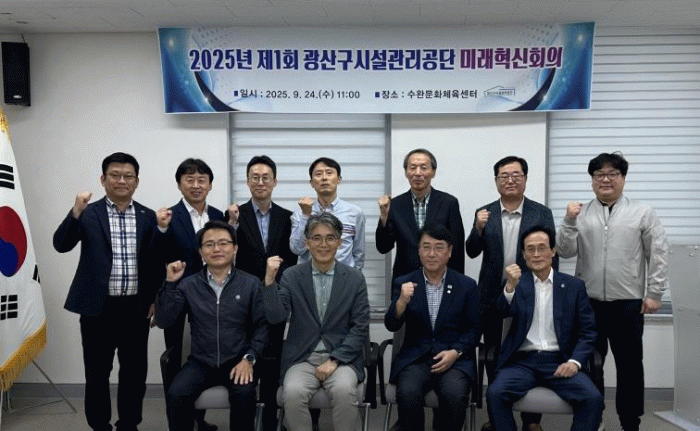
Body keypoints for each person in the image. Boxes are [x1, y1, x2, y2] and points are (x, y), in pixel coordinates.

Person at [556, 152, 669, 431]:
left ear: (623, 178)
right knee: (590, 364)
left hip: (628, 303)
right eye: (599, 175)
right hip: (588, 303)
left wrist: (655, 292)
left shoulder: (642, 212)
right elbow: (566, 251)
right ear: (592, 180)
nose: (605, 179)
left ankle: (630, 422)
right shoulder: (581, 213)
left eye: (612, 174)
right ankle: (593, 417)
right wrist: (568, 221)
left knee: (630, 365)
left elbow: (658, 253)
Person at [53, 152, 159, 431]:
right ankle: (100, 425)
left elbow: (154, 262)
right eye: (115, 175)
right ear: (103, 179)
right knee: (97, 372)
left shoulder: (148, 216)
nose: (122, 180)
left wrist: (154, 299)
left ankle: (129, 424)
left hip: (135, 308)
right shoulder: (88, 213)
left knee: (134, 373)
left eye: (128, 176)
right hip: (97, 308)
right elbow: (61, 244)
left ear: (136, 181)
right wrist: (75, 211)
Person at [465, 156, 556, 431]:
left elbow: (551, 254)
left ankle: (532, 420)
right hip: (492, 295)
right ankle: (498, 416)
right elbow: (471, 251)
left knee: (528, 353)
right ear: (496, 181)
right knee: (493, 353)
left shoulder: (541, 213)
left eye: (516, 174)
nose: (510, 180)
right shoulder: (485, 212)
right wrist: (478, 228)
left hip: (530, 293)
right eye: (504, 175)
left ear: (525, 179)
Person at [486, 226, 603, 431]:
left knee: (592, 398)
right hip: (522, 362)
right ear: (523, 255)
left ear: (553, 251)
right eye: (530, 249)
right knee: (495, 393)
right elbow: (499, 313)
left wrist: (574, 362)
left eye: (542, 248)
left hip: (560, 360)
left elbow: (588, 331)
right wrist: (510, 287)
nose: (536, 254)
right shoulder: (516, 283)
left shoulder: (574, 286)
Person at [155, 220, 268, 431]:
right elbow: (164, 320)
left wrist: (249, 358)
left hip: (238, 361)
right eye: (209, 244)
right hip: (201, 363)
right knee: (176, 393)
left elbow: (262, 327)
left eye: (223, 243)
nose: (217, 249)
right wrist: (170, 283)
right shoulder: (189, 285)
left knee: (244, 395)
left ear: (235, 248)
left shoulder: (251, 284)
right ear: (201, 252)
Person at [262, 213, 370, 431]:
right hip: (302, 357)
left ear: (339, 242)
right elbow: (276, 317)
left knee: (343, 391)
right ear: (307, 243)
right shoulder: (292, 275)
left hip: (341, 359)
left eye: (330, 238)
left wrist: (335, 360)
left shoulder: (354, 278)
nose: (323, 244)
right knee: (292, 393)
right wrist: (269, 281)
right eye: (316, 238)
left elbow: (360, 327)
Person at [153, 158, 226, 431]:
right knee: (177, 361)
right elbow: (154, 257)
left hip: (213, 300)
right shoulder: (167, 217)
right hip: (180, 300)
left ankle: (199, 419)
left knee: (204, 360)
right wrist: (161, 229)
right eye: (190, 180)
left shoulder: (218, 215)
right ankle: (180, 423)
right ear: (179, 184)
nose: (196, 185)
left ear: (210, 184)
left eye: (201, 180)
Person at [384, 224, 481, 431]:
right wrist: (401, 302)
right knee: (408, 393)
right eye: (426, 247)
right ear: (419, 251)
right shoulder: (405, 283)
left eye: (439, 248)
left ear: (449, 251)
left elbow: (474, 329)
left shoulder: (466, 285)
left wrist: (456, 352)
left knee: (454, 395)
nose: (431, 254)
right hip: (416, 358)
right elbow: (391, 324)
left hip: (453, 360)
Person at [227, 155, 297, 431]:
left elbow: (292, 257)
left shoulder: (287, 217)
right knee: (245, 353)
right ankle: (246, 415)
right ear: (247, 182)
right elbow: (227, 254)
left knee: (272, 358)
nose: (260, 182)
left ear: (274, 181)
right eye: (254, 177)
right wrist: (232, 224)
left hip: (274, 297)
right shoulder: (235, 215)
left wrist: (278, 286)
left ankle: (270, 418)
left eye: (265, 177)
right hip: (243, 298)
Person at [377, 148, 465, 282]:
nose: (418, 173)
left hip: (440, 279)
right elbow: (383, 247)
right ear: (406, 172)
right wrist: (384, 216)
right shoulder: (395, 204)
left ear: (433, 172)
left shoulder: (448, 203)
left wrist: (457, 283)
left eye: (424, 168)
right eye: (413, 168)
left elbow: (457, 248)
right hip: (405, 279)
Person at [290, 157, 365, 269]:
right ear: (312, 183)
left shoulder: (355, 213)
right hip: (310, 277)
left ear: (339, 179)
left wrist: (353, 276)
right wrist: (306, 216)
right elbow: (297, 249)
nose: (324, 178)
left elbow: (358, 253)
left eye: (329, 173)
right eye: (318, 174)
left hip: (343, 276)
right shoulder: (300, 213)